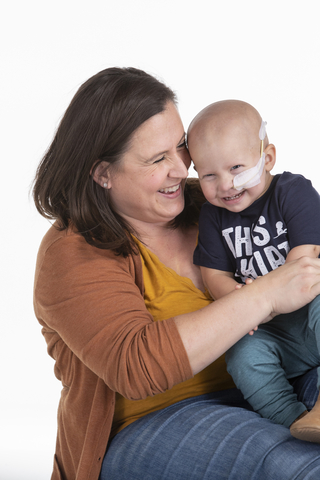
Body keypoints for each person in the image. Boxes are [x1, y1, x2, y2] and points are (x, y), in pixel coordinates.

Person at [33, 69, 320, 480]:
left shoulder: (213, 205)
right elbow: (134, 367)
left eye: (180, 147)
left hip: (276, 378)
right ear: (103, 174)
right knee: (293, 465)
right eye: (156, 159)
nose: (180, 168)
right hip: (155, 420)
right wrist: (264, 296)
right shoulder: (74, 251)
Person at [188, 99, 320, 443]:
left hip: (311, 307)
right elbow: (213, 274)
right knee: (241, 354)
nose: (226, 185)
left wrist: (266, 300)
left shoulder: (293, 192)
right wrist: (239, 305)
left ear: (268, 158)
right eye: (209, 175)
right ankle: (294, 421)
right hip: (273, 331)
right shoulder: (213, 217)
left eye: (236, 167)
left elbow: (304, 262)